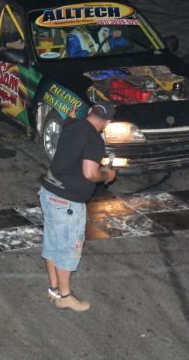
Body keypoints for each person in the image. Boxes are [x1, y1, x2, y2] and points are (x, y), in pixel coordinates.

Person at [40, 101, 117, 311]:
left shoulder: (72, 125)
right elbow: (90, 173)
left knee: (53, 243)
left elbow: (69, 123)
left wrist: (70, 117)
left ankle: (54, 290)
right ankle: (65, 296)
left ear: (90, 112)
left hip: (48, 193)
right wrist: (107, 174)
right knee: (67, 248)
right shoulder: (95, 141)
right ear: (108, 122)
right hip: (67, 202)